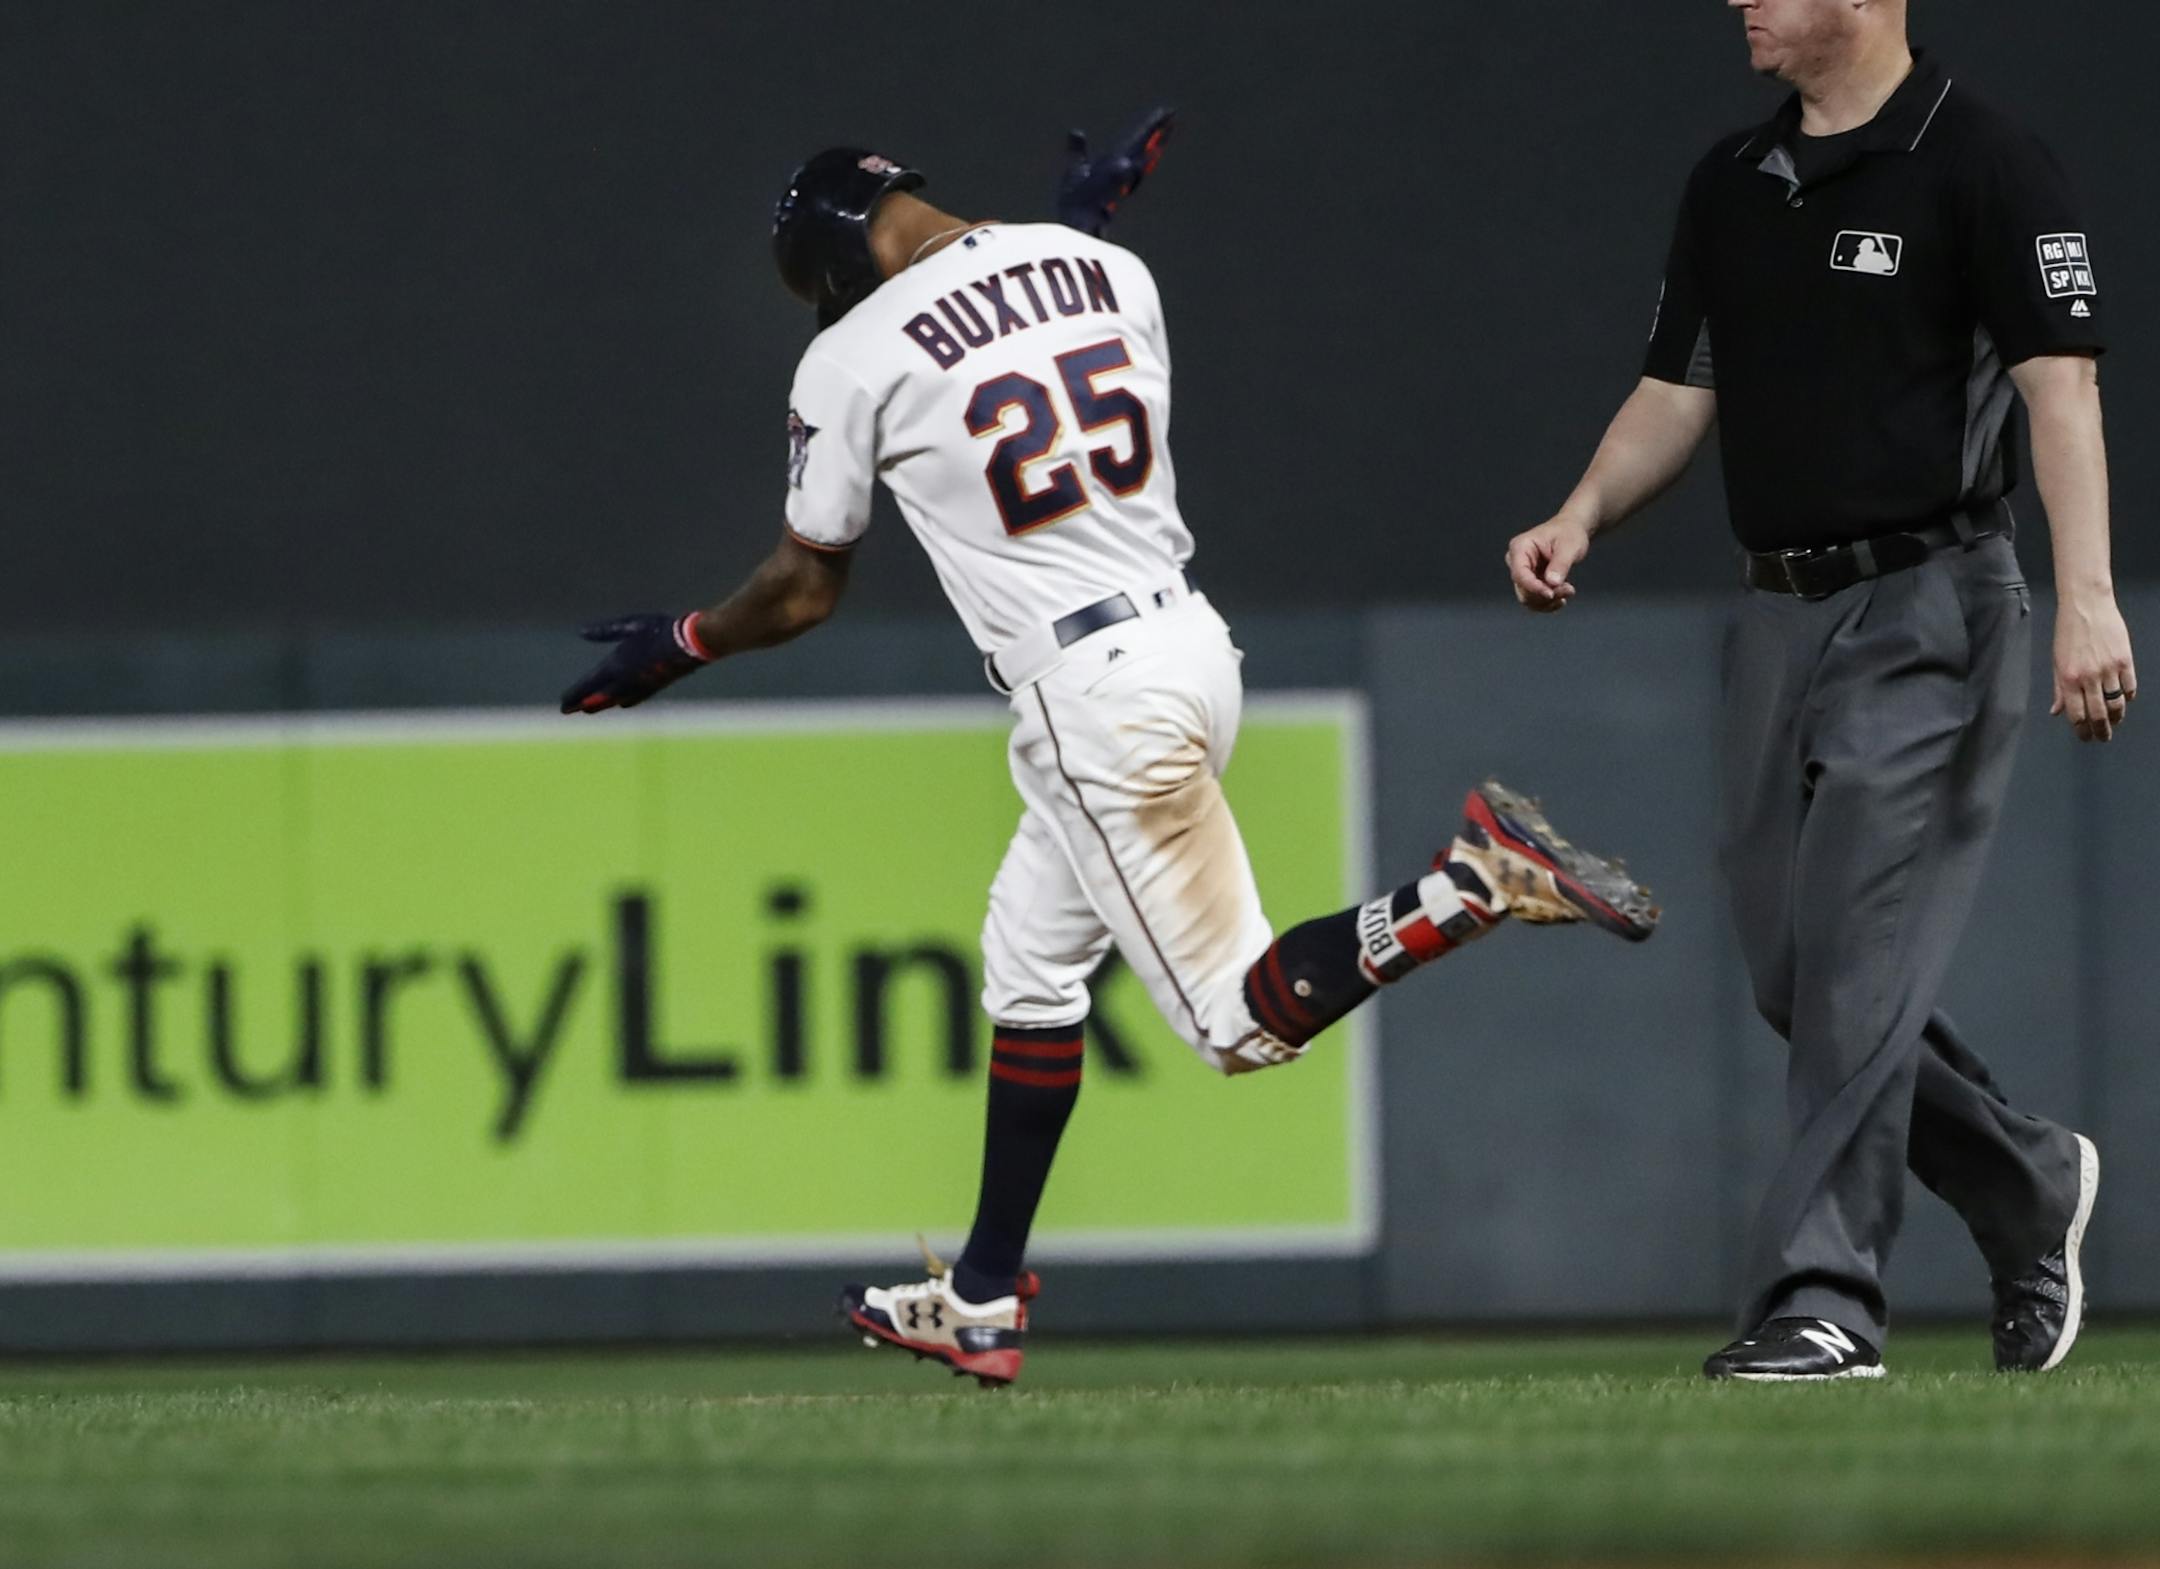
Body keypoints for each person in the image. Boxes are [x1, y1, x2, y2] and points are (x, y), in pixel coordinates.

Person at [560, 121, 1660, 1385]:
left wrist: (684, 643)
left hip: (1091, 696)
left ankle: (1468, 885)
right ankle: (980, 1298)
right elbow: (1019, 297)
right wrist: (1079, 215)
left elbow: (803, 591)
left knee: (1238, 1026)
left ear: (826, 261)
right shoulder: (1109, 271)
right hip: (1191, 644)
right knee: (1027, 963)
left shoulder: (848, 356)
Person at [1506, 0, 2123, 1380]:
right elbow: (1678, 386)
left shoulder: (1985, 161)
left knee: (1852, 967)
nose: (1741, 1)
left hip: (1932, 603)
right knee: (1800, 977)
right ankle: (2026, 1177)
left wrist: (2088, 599)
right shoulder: (1735, 180)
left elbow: (2059, 388)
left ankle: (1826, 1300)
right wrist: (1582, 512)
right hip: (1777, 613)